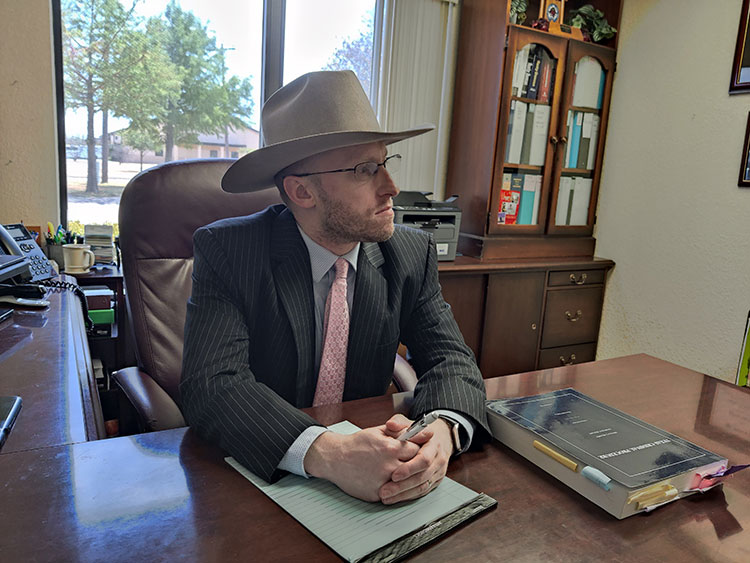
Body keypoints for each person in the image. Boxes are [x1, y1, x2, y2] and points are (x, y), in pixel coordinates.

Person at [180, 70, 489, 505]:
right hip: (263, 478)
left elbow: (450, 358)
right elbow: (212, 385)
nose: (391, 187)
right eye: (365, 170)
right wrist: (329, 453)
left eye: (386, 162)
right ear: (301, 190)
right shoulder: (230, 250)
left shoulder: (411, 254)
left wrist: (443, 429)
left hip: (377, 472)